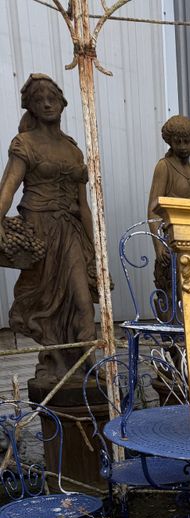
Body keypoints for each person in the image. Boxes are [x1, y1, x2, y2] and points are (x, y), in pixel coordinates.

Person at [0, 74, 97, 384]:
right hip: (40, 229)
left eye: (52, 96)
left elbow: (84, 205)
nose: (46, 102)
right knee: (46, 304)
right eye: (39, 98)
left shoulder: (73, 149)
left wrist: (95, 250)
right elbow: (9, 188)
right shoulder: (25, 143)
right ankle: (55, 359)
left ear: (62, 103)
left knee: (82, 300)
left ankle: (88, 362)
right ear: (30, 106)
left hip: (70, 231)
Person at [147, 115, 190, 304]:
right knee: (177, 292)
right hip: (172, 238)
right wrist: (158, 246)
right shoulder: (164, 167)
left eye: (187, 142)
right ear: (170, 142)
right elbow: (152, 209)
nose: (182, 146)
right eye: (178, 141)